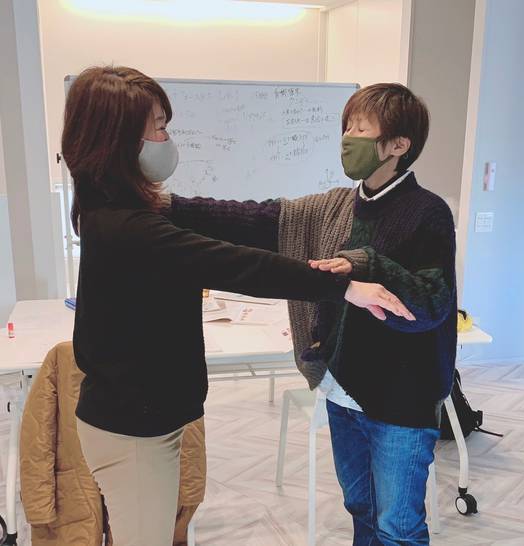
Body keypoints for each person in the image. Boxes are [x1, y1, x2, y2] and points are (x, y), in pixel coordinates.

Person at [63, 66, 414, 546]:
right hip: (133, 430)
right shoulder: (129, 228)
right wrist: (343, 286)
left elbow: (229, 231)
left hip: (145, 419)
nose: (167, 139)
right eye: (159, 127)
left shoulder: (120, 212)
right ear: (120, 141)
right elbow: (238, 265)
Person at [167, 83, 457, 545]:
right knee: (361, 507)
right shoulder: (333, 207)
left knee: (398, 526)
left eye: (361, 129)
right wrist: (168, 206)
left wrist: (365, 263)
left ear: (398, 145)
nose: (347, 138)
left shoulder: (428, 213)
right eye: (347, 127)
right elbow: (256, 218)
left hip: (402, 401)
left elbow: (431, 304)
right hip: (344, 388)